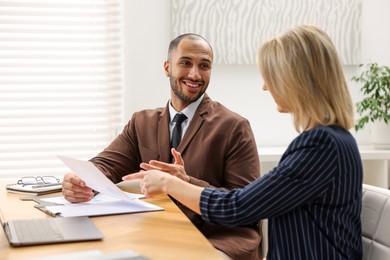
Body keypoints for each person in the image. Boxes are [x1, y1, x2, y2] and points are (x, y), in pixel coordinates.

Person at [124, 25, 363, 260]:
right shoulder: (334, 140)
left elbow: (237, 207)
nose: (265, 86)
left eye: (271, 77)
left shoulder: (320, 145)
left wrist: (169, 183)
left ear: (298, 80)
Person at [61, 33, 263, 260]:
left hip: (217, 238)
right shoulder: (142, 122)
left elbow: (249, 205)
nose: (195, 74)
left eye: (204, 66)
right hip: (159, 229)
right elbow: (106, 164)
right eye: (185, 63)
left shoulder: (234, 127)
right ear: (167, 68)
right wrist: (79, 180)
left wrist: (185, 183)